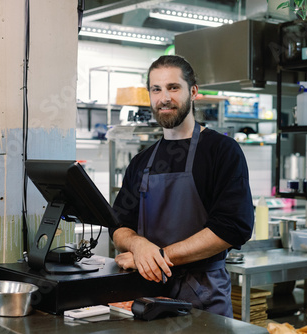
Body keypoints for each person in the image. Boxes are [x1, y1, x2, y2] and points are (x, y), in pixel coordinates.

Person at [110, 55, 254, 317]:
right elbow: (119, 225)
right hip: (146, 292)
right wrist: (139, 246)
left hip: (203, 295)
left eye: (173, 88)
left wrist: (158, 257)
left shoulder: (222, 151)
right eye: (157, 89)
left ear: (193, 92)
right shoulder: (141, 160)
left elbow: (232, 228)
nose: (164, 98)